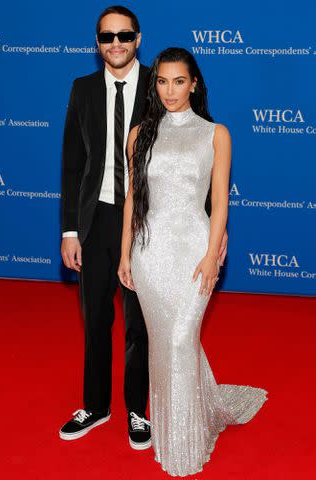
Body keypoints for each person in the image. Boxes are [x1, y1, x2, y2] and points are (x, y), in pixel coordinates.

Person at [118, 47, 268, 476]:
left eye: (179, 81)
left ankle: (187, 438)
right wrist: (126, 252)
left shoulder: (215, 134)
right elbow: (133, 201)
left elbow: (219, 202)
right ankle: (177, 425)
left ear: (194, 84)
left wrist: (212, 252)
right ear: (155, 84)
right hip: (149, 254)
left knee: (182, 339)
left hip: (193, 251)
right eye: (162, 81)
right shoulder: (139, 134)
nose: (169, 90)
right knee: (165, 343)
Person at [59, 6, 152, 449]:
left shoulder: (161, 84)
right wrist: (69, 231)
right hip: (96, 219)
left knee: (139, 322)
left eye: (124, 34)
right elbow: (73, 164)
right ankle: (96, 406)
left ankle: (137, 410)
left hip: (146, 222)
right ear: (97, 43)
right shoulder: (82, 89)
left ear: (138, 38)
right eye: (107, 36)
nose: (115, 43)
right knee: (95, 318)